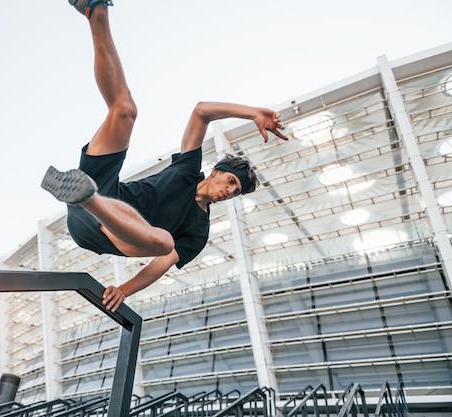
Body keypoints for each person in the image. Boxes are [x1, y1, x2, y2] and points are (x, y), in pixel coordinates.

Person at [41, 0, 289, 312]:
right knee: (125, 111)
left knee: (165, 243)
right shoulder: (188, 170)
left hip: (102, 231)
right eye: (229, 181)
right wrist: (251, 111)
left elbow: (161, 263)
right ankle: (95, 11)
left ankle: (87, 199)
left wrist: (125, 290)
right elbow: (202, 112)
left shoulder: (198, 230)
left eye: (235, 191)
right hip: (107, 190)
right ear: (215, 172)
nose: (229, 191)